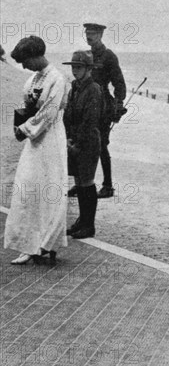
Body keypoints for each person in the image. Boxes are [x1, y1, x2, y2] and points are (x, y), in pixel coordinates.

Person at [4, 36, 68, 264]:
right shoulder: (32, 79)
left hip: (50, 138)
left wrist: (25, 128)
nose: (24, 66)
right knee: (28, 186)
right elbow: (30, 107)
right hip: (34, 139)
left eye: (26, 61)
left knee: (49, 188)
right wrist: (23, 123)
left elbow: (49, 113)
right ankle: (28, 244)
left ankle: (46, 243)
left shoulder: (57, 79)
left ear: (36, 56)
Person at [68, 23, 126, 199]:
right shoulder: (87, 56)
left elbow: (119, 83)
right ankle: (82, 184)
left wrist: (117, 105)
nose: (89, 36)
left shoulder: (108, 56)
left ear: (101, 35)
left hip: (102, 108)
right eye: (87, 33)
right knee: (80, 142)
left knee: (101, 146)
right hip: (84, 105)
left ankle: (107, 186)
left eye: (92, 33)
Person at [63, 51, 102, 239]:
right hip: (75, 141)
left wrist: (77, 143)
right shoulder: (74, 88)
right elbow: (68, 116)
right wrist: (68, 138)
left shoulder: (93, 89)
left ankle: (89, 225)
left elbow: (90, 120)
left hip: (88, 143)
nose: (75, 70)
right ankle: (82, 220)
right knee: (78, 183)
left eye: (78, 67)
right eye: (73, 67)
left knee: (87, 182)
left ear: (88, 69)